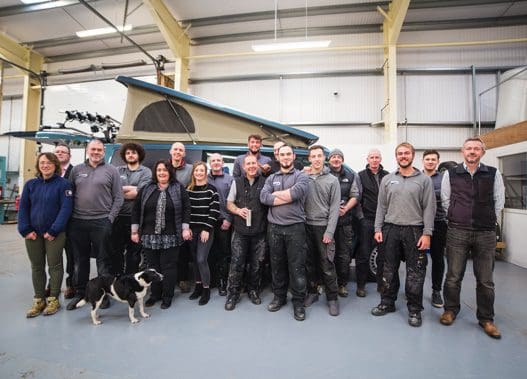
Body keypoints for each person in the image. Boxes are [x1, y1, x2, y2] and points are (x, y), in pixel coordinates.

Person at [439, 137, 505, 339]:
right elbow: (446, 200)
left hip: (485, 233)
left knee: (485, 280)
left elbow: (498, 201)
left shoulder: (492, 173)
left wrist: (487, 219)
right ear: (462, 151)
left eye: (477, 148)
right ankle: (450, 310)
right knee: (453, 276)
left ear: (482, 152)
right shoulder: (451, 173)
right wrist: (457, 216)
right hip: (457, 231)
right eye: (469, 148)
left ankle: (486, 318)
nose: (472, 151)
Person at [371, 142, 436, 327]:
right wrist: (378, 229)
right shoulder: (388, 179)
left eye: (406, 153)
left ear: (413, 155)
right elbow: (381, 206)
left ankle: (415, 310)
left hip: (414, 230)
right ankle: (387, 302)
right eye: (400, 153)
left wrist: (427, 233)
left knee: (415, 272)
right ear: (396, 156)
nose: (403, 156)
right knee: (387, 269)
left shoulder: (424, 180)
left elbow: (429, 208)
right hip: (390, 229)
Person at [66, 139, 124, 311]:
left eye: (99, 149)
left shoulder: (111, 170)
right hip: (78, 222)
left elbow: (119, 197)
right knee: (80, 260)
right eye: (93, 149)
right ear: (88, 151)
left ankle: (104, 293)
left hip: (102, 221)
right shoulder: (77, 170)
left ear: (103, 151)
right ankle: (80, 293)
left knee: (103, 260)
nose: (96, 152)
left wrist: (110, 219)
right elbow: (69, 195)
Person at [18, 152, 73, 317]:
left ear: (55, 165)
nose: (45, 165)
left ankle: (53, 299)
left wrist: (54, 230)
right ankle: (39, 299)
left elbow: (66, 209)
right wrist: (25, 229)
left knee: (55, 266)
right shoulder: (30, 185)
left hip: (55, 234)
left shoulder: (64, 184)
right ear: (38, 165)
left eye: (49, 163)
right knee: (37, 266)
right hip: (33, 234)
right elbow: (23, 208)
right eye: (42, 163)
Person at [131, 160, 191, 309]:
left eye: (165, 170)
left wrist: (185, 228)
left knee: (168, 267)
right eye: (159, 170)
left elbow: (186, 209)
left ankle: (167, 296)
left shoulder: (178, 188)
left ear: (170, 172)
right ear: (155, 172)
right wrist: (134, 230)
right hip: (149, 235)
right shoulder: (146, 188)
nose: (162, 173)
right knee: (152, 267)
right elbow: (136, 210)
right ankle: (155, 295)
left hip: (171, 235)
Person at [260, 144, 310, 321]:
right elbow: (264, 198)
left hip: (295, 227)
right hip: (274, 228)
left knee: (297, 267)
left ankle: (298, 303)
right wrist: (285, 196)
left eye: (289, 154)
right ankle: (279, 297)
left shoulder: (302, 177)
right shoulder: (271, 177)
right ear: (278, 157)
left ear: (294, 156)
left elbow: (296, 193)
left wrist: (276, 196)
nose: (286, 157)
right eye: (283, 154)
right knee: (277, 265)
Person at [224, 154, 268, 310]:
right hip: (240, 231)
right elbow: (229, 203)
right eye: (248, 164)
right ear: (243, 167)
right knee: (237, 264)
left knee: (257, 264)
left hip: (259, 231)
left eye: (253, 163)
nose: (251, 166)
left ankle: (253, 291)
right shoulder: (236, 182)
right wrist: (237, 210)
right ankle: (232, 294)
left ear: (258, 165)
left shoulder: (265, 182)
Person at [303, 145, 341, 316]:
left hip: (323, 228)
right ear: (309, 159)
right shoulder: (303, 178)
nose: (316, 159)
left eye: (319, 156)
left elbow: (335, 209)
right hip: (305, 226)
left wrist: (329, 232)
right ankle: (312, 292)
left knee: (327, 265)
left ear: (324, 158)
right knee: (309, 263)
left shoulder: (332, 180)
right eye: (313, 156)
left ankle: (332, 298)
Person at [327, 148, 362, 297]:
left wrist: (345, 208)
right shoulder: (324, 173)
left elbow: (355, 194)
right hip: (326, 222)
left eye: (338, 157)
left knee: (343, 255)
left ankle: (342, 284)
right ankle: (326, 283)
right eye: (333, 157)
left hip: (344, 221)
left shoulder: (351, 175)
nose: (336, 159)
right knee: (326, 255)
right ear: (329, 160)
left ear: (342, 159)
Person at [112, 143, 152, 275]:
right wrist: (133, 189)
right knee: (116, 251)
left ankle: (130, 279)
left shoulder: (146, 171)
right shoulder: (117, 170)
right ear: (124, 155)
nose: (131, 155)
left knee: (134, 252)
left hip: (137, 218)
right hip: (117, 216)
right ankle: (118, 279)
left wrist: (122, 191)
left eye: (133, 153)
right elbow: (113, 191)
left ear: (139, 154)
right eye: (128, 153)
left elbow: (142, 192)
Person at [187, 162, 220, 306]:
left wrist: (206, 228)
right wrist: (186, 227)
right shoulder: (188, 189)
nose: (199, 173)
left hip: (206, 230)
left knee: (201, 259)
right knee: (194, 260)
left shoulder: (212, 190)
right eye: (197, 170)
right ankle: (198, 286)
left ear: (205, 172)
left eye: (202, 170)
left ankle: (206, 289)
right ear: (193, 173)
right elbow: (185, 211)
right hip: (191, 229)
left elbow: (215, 211)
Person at [358, 149, 389, 293]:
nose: (374, 160)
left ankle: (380, 284)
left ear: (380, 159)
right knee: (364, 253)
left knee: (382, 254)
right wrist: (361, 217)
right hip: (367, 220)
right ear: (367, 159)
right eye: (372, 157)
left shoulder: (387, 176)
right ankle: (361, 285)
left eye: (377, 157)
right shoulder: (361, 176)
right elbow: (357, 198)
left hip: (384, 221)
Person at [422, 150, 447, 308]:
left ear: (437, 162)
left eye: (433, 159)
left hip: (438, 223)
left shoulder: (444, 180)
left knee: (438, 258)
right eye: (427, 159)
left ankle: (436, 291)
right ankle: (413, 288)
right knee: (417, 259)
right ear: (423, 161)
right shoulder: (417, 177)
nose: (430, 162)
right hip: (418, 223)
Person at [207, 153, 234, 296]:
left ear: (223, 163)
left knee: (223, 254)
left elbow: (234, 200)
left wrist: (229, 219)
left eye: (218, 160)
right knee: (209, 253)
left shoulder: (230, 180)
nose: (216, 162)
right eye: (213, 160)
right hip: (208, 223)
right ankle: (210, 281)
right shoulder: (203, 177)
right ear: (209, 163)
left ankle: (223, 282)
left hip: (224, 222)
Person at [170, 142, 193, 293]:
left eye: (181, 150)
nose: (178, 152)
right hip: (167, 214)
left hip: (185, 212)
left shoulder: (191, 169)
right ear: (170, 152)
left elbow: (194, 186)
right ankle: (169, 279)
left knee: (183, 249)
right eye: (175, 149)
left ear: (184, 154)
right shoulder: (164, 167)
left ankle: (183, 278)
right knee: (169, 249)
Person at [53, 143, 75, 299]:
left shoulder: (76, 171)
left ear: (69, 155)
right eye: (57, 152)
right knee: (52, 256)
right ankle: (51, 285)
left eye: (63, 152)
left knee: (72, 257)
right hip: (52, 222)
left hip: (72, 222)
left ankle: (70, 285)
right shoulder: (46, 173)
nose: (60, 154)